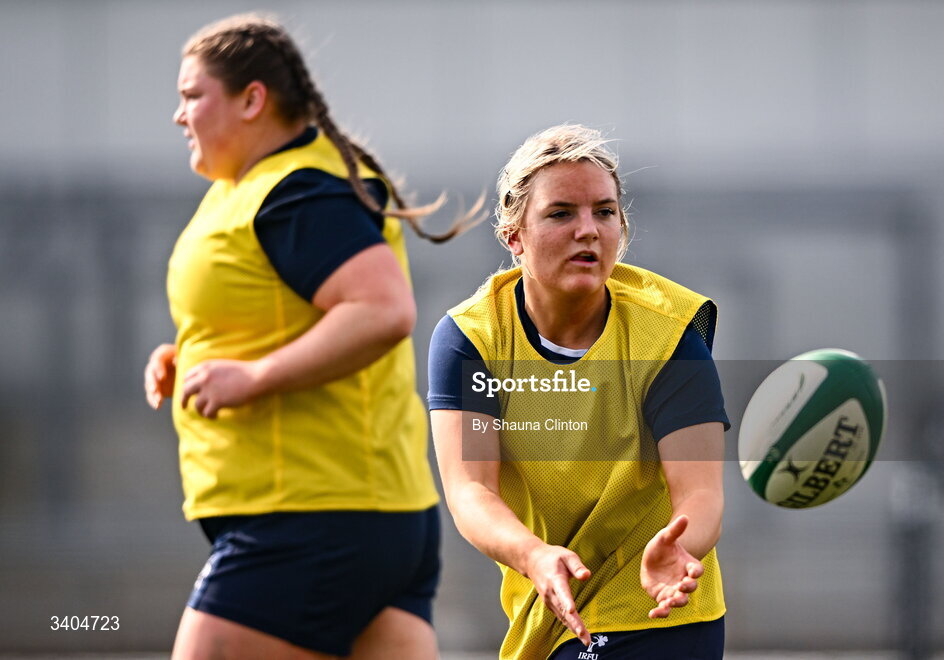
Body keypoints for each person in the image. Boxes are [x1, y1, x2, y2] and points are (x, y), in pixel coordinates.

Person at [144, 13, 476, 659]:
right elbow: (286, 311)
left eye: (192, 96)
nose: (179, 116)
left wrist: (253, 377)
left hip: (312, 519)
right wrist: (196, 355)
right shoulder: (248, 187)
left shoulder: (296, 189)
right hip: (369, 517)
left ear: (251, 100)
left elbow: (382, 310)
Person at [428, 124, 729, 659]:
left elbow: (701, 492)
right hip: (547, 605)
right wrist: (533, 555)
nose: (588, 230)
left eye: (604, 211)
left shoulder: (669, 335)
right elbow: (471, 491)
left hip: (656, 607)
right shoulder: (471, 340)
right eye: (561, 213)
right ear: (513, 236)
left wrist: (680, 547)